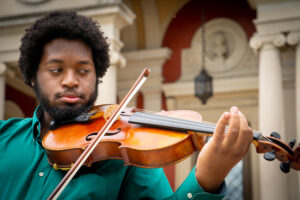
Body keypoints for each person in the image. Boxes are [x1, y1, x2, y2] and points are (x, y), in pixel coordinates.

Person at [0, 10, 253, 199]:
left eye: (84, 70)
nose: (70, 81)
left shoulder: (124, 156)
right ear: (33, 76)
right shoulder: (4, 139)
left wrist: (206, 179)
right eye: (56, 70)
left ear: (96, 76)